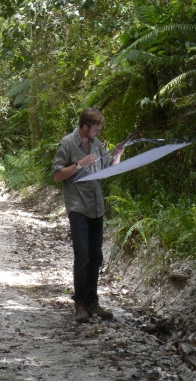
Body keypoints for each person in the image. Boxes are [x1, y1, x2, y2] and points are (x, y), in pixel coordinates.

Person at [52, 107, 123, 324]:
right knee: (82, 256)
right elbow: (56, 176)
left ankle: (93, 302)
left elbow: (108, 169)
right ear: (85, 126)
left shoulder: (96, 144)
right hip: (78, 208)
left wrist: (117, 155)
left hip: (96, 208)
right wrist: (78, 165)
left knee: (96, 256)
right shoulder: (67, 143)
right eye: (96, 128)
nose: (99, 132)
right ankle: (80, 304)